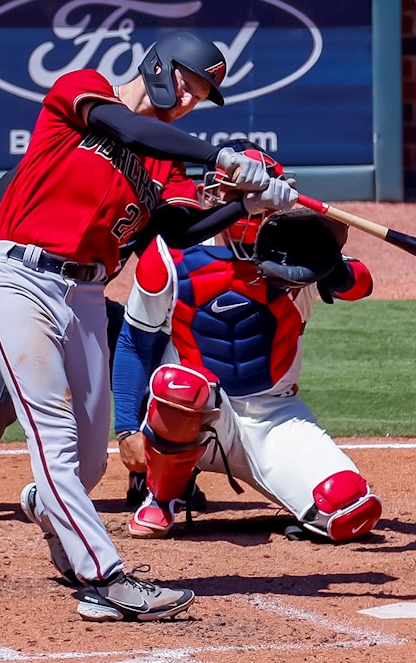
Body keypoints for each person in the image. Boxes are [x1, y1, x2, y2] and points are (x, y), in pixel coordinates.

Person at [0, 31, 297, 622]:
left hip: (87, 295)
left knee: (92, 460)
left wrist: (247, 207)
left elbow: (174, 231)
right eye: (186, 80)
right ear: (156, 62)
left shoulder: (161, 165)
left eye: (199, 93)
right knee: (53, 437)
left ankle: (49, 503)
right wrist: (222, 158)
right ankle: (105, 581)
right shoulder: (86, 90)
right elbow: (128, 129)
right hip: (20, 278)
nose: (187, 97)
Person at [111, 143, 382, 544]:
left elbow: (360, 285)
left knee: (348, 508)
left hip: (275, 416)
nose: (245, 206)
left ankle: (303, 507)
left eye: (253, 196)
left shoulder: (301, 253)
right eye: (235, 195)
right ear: (215, 196)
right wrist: (126, 428)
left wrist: (329, 264)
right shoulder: (172, 253)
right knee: (180, 385)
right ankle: (162, 496)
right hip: (196, 415)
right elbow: (136, 344)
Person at [0, 169, 199, 525]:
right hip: (9, 303)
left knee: (155, 354)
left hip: (83, 306)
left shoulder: (137, 194)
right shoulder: (22, 185)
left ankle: (155, 475)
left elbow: (173, 263)